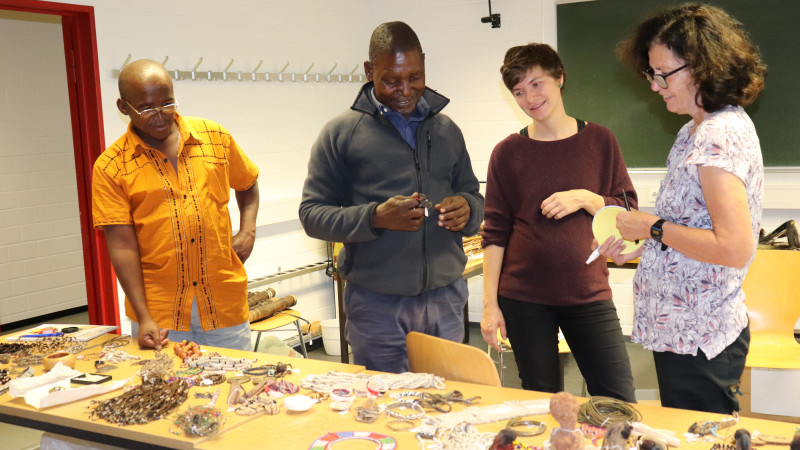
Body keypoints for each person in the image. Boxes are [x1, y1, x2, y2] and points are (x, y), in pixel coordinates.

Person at [601, 4, 766, 413]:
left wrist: (652, 227)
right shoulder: (693, 129)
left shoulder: (717, 135)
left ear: (703, 67)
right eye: (650, 73)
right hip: (683, 331)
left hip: (700, 335)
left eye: (663, 73)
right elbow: (692, 230)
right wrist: (641, 250)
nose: (655, 86)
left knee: (701, 437)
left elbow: (733, 247)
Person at [299, 21, 484, 373]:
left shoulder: (447, 130)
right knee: (385, 402)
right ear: (369, 71)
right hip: (377, 307)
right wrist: (375, 218)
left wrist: (469, 210)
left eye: (415, 77)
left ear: (424, 64)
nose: (405, 90)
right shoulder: (341, 133)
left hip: (445, 300)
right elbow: (312, 214)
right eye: (391, 80)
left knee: (446, 399)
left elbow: (473, 194)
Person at [480, 43, 636, 402]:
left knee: (618, 400)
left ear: (559, 78)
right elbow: (495, 233)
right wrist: (490, 305)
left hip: (588, 292)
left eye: (537, 84)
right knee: (542, 402)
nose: (530, 98)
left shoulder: (600, 140)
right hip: (523, 299)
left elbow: (627, 210)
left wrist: (585, 198)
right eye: (519, 92)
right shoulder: (507, 152)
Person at [92, 60, 260, 351]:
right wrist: (145, 317)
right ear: (123, 107)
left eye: (167, 103)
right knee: (168, 379)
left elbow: (248, 184)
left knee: (235, 376)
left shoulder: (215, 138)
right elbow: (122, 247)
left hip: (223, 305)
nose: (159, 115)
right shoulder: (111, 167)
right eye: (146, 108)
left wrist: (248, 231)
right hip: (160, 313)